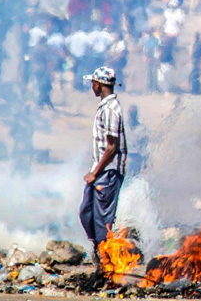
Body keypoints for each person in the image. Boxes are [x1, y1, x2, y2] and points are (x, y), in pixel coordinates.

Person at [79, 66, 128, 265]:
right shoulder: (105, 107)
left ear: (98, 85)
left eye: (93, 83)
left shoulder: (110, 110)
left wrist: (94, 173)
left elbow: (111, 147)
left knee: (102, 222)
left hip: (108, 173)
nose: (92, 86)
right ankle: (99, 252)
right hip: (100, 171)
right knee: (86, 212)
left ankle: (108, 263)